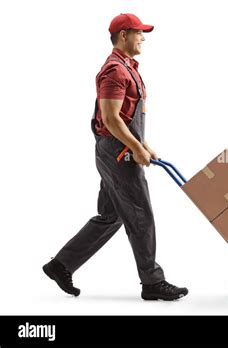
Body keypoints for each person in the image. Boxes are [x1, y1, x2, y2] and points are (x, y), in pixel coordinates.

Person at [43, 13, 188, 301]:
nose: (143, 38)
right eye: (139, 32)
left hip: (120, 149)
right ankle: (152, 281)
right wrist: (135, 148)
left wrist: (144, 144)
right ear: (123, 35)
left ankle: (61, 265)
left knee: (112, 215)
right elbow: (110, 119)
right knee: (140, 215)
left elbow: (124, 117)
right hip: (118, 154)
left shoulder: (128, 68)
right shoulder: (115, 71)